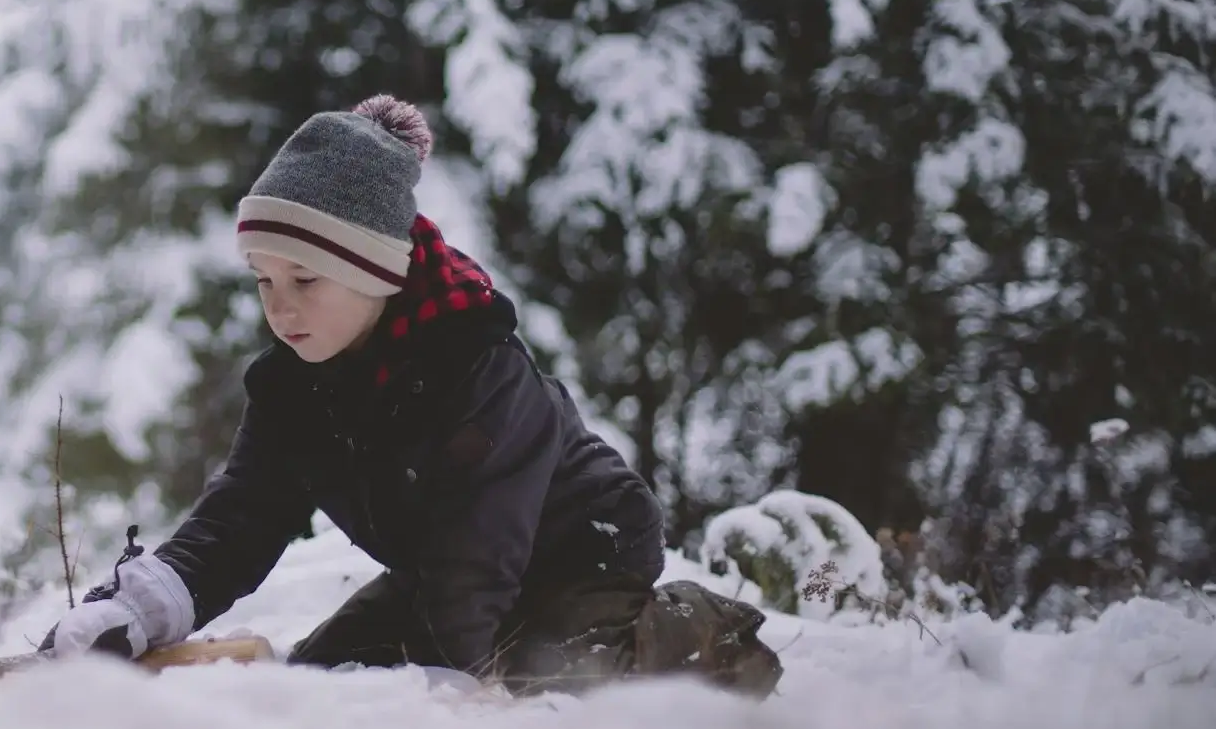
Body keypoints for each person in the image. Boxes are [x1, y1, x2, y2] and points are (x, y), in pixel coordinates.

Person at [43, 96, 780, 696]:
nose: (280, 307)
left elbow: (480, 552)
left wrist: (445, 686)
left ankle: (696, 631)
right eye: (264, 280)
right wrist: (139, 607)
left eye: (305, 280)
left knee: (540, 682)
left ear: (377, 274)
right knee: (327, 685)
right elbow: (242, 517)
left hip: (583, 554)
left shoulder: (475, 373)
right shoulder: (293, 389)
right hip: (445, 570)